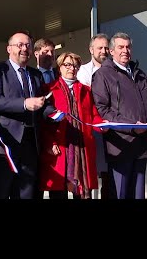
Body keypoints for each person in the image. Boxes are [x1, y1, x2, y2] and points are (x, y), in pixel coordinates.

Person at [0, 30, 55, 199]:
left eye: (28, 45)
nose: (24, 49)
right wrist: (24, 104)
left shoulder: (36, 74)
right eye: (20, 45)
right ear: (9, 49)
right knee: (1, 191)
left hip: (31, 143)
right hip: (6, 143)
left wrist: (53, 113)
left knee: (26, 193)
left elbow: (41, 104)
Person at [91, 32, 147, 199]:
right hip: (120, 147)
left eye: (128, 47)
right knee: (119, 194)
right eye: (120, 47)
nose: (125, 50)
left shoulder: (140, 75)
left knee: (138, 195)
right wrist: (134, 126)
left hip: (141, 147)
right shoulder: (102, 75)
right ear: (111, 51)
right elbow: (103, 109)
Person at [39, 52, 104, 199]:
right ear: (59, 67)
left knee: (81, 191)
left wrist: (102, 125)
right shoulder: (49, 88)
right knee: (58, 191)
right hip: (61, 147)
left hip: (82, 147)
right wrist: (50, 142)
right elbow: (42, 121)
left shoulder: (86, 90)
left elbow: (94, 116)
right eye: (67, 64)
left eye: (75, 65)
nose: (71, 68)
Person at [76, 33, 110, 198]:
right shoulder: (82, 72)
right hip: (92, 130)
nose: (103, 51)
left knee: (109, 179)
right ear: (91, 50)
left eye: (106, 48)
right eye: (99, 48)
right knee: (89, 174)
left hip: (112, 129)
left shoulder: (114, 71)